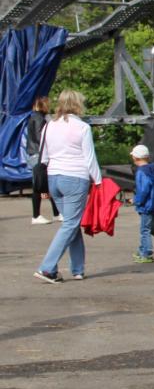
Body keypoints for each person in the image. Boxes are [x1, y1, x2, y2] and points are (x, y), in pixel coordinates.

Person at [34, 90, 101, 283]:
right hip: (75, 178)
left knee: (72, 223)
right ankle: (47, 268)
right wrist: (98, 181)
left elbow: (43, 156)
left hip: (54, 178)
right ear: (78, 104)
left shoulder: (49, 125)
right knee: (71, 224)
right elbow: (89, 158)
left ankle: (78, 269)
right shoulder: (82, 127)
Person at [25, 96, 60, 225]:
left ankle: (56, 213)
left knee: (45, 184)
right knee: (39, 185)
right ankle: (36, 215)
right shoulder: (39, 118)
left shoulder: (35, 117)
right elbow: (41, 137)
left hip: (35, 154)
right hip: (38, 154)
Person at [130, 144, 154, 264]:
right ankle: (142, 250)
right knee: (146, 228)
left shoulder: (141, 172)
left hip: (146, 206)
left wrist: (136, 200)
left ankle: (146, 253)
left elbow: (143, 190)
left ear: (135, 158)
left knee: (145, 230)